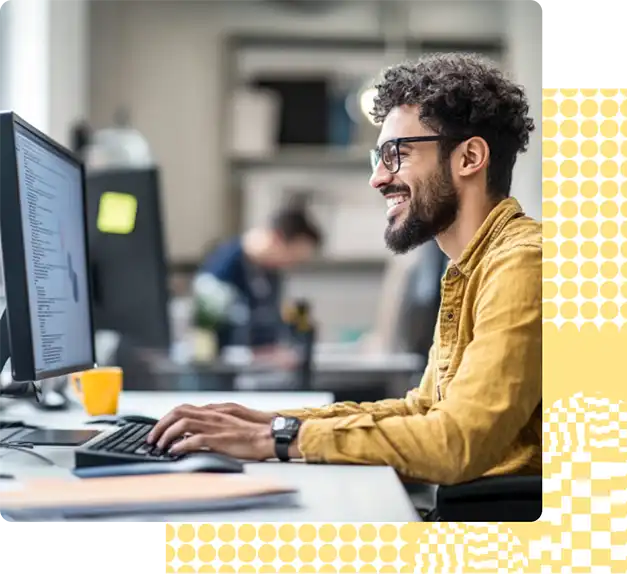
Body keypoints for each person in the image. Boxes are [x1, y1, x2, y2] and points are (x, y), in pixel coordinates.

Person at [148, 52, 542, 487]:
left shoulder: (524, 265)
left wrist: (280, 438)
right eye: (379, 157)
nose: (377, 178)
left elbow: (454, 442)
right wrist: (271, 422)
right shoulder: (472, 267)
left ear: (469, 158)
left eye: (397, 154)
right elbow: (423, 410)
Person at [197, 204, 322, 360]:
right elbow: (202, 346)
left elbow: (281, 315)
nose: (291, 265)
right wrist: (258, 357)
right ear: (277, 239)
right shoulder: (221, 270)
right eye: (292, 257)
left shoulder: (269, 273)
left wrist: (304, 330)